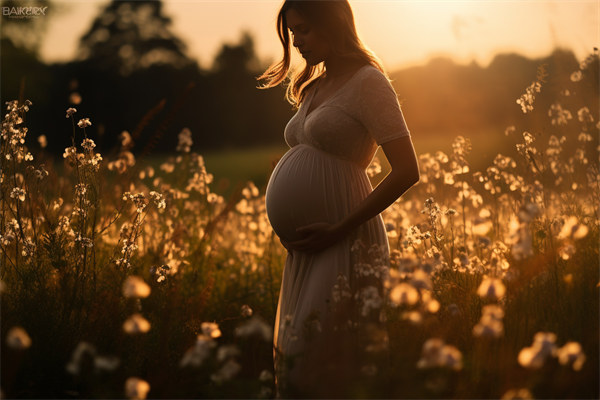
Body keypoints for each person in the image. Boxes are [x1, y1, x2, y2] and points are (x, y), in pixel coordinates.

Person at [257, 0, 419, 397]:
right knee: (296, 367)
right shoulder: (313, 86)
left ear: (334, 24)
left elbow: (407, 170)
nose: (297, 43)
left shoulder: (369, 82)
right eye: (292, 33)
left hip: (346, 239)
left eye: (304, 30)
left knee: (322, 368)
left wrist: (339, 228)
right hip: (308, 248)